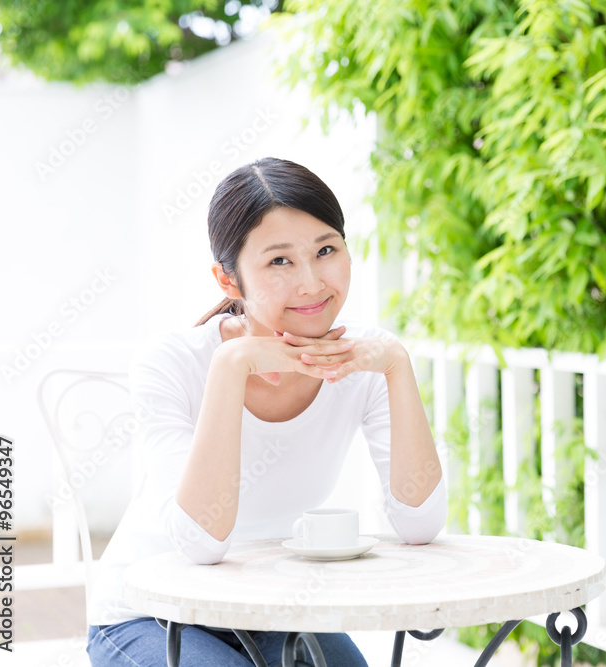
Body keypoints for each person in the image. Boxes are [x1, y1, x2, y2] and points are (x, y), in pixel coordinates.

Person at [86, 157, 447, 666]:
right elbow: (200, 544)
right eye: (279, 261)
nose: (312, 283)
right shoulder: (173, 363)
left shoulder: (366, 360)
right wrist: (231, 368)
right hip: (147, 614)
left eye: (326, 250)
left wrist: (398, 367)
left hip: (272, 611)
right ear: (228, 281)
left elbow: (419, 526)